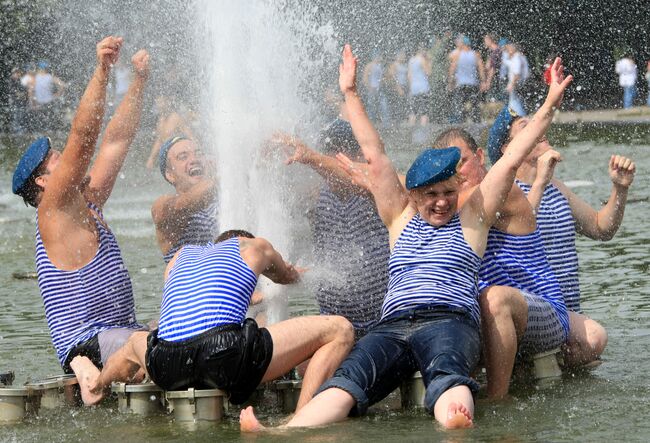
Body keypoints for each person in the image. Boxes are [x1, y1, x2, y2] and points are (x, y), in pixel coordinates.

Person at [239, 45, 572, 431]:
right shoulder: (399, 217)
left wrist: (549, 104)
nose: (442, 201)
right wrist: (350, 93)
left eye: (448, 191)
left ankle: (454, 418)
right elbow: (373, 152)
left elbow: (512, 157)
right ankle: (283, 431)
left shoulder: (473, 218)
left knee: (448, 374)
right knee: (347, 383)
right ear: (413, 196)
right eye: (431, 195)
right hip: (392, 326)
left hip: (448, 322)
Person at [73, 230, 354, 408]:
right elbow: (287, 276)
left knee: (135, 342)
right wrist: (307, 273)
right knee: (339, 329)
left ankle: (97, 386)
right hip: (224, 357)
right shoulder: (254, 247)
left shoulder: (180, 256)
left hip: (168, 365)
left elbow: (181, 305)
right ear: (244, 238)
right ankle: (299, 423)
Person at [11, 37, 150, 377]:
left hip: (121, 336)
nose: (71, 162)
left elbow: (117, 139)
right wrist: (103, 70)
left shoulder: (86, 203)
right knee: (170, 346)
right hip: (86, 344)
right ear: (44, 182)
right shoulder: (53, 212)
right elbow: (83, 137)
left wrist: (139, 81)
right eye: (58, 159)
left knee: (188, 328)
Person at [486, 105, 636, 368]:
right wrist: (540, 182)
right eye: (527, 127)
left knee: (590, 346)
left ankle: (540, 367)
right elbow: (523, 227)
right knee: (594, 339)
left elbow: (602, 228)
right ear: (508, 148)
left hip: (566, 313)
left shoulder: (558, 188)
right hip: (529, 311)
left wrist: (619, 189)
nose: (540, 129)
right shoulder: (504, 193)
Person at [432, 128, 568, 398]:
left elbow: (415, 194)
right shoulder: (448, 203)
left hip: (544, 311)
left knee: (494, 299)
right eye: (448, 168)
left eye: (462, 162)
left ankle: (497, 401)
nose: (457, 173)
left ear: (481, 156)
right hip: (492, 315)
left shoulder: (502, 192)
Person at [276, 116, 390, 338]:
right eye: (330, 154)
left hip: (382, 320)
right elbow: (329, 262)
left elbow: (352, 179)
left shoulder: (376, 192)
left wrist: (311, 158)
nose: (332, 165)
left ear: (359, 158)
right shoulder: (318, 199)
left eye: (343, 155)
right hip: (333, 319)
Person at [151, 136, 219, 263]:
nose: (194, 160)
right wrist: (229, 175)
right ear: (170, 175)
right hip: (193, 281)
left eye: (199, 154)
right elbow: (185, 203)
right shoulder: (163, 205)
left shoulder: (226, 202)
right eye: (183, 157)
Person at [145, 96, 196, 170]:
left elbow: (190, 135)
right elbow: (159, 140)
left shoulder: (176, 118)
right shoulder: (160, 120)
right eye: (157, 103)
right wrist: (151, 158)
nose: (158, 105)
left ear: (167, 103)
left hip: (178, 155)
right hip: (166, 157)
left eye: (161, 102)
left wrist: (197, 152)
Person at [448, 35, 484, 123]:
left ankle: (461, 123)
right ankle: (476, 123)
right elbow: (481, 68)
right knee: (474, 105)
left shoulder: (457, 55)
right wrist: (483, 81)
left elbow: (452, 69)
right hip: (473, 84)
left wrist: (450, 82)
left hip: (461, 84)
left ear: (463, 44)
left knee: (460, 106)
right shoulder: (476, 54)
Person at [28, 61, 66, 131]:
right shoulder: (50, 77)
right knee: (49, 120)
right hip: (49, 102)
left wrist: (32, 103)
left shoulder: (35, 78)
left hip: (39, 102)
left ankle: (41, 132)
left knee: (39, 122)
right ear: (46, 69)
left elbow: (30, 91)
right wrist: (57, 94)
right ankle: (49, 132)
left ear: (39, 69)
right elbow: (62, 85)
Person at [408, 45, 431, 126]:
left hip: (414, 88)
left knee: (413, 110)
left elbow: (409, 76)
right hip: (423, 87)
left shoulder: (411, 60)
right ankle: (423, 129)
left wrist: (411, 87)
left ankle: (410, 130)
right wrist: (429, 61)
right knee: (424, 111)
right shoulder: (422, 60)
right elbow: (428, 72)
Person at [503, 43, 529, 116]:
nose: (507, 51)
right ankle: (518, 117)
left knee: (514, 102)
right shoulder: (520, 57)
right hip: (520, 82)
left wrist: (512, 84)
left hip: (517, 83)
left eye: (508, 49)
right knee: (516, 101)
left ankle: (519, 117)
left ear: (513, 49)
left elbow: (517, 73)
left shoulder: (516, 58)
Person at [482, 34, 503, 102]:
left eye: (485, 40)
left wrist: (488, 82)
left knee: (494, 102)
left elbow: (493, 69)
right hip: (497, 80)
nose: (484, 42)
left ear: (490, 40)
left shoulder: (496, 51)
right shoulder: (494, 51)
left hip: (496, 81)